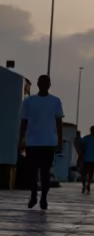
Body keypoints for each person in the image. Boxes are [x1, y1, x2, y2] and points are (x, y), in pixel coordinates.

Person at [18, 75, 63, 210]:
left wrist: (59, 141)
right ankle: (34, 195)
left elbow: (59, 123)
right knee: (32, 172)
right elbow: (24, 122)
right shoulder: (29, 101)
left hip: (48, 143)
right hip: (32, 142)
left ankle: (43, 197)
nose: (44, 85)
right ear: (38, 84)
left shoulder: (55, 101)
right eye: (41, 83)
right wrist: (21, 140)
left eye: (46, 83)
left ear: (49, 85)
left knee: (45, 173)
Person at [80, 125, 94, 193]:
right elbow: (82, 146)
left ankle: (87, 185)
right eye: (93, 130)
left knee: (89, 174)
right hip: (88, 159)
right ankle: (85, 185)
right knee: (85, 174)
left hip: (91, 159)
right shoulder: (87, 138)